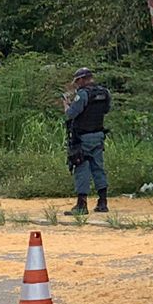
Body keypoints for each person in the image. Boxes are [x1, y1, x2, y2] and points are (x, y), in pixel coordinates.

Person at [63, 67, 111, 215]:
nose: (77, 85)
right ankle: (102, 202)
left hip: (83, 138)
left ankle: (81, 205)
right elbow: (106, 110)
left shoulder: (83, 94)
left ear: (82, 79)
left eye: (77, 81)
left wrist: (66, 105)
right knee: (98, 167)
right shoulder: (104, 93)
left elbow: (70, 115)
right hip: (98, 135)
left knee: (81, 168)